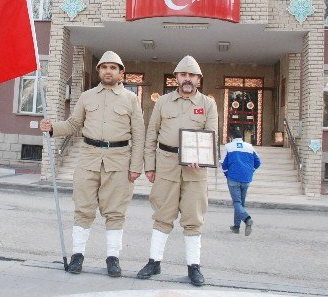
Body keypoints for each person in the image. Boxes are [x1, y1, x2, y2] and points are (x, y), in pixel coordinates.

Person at [39, 51, 144, 277]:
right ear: (99, 71)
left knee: (115, 212)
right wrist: (53, 128)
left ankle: (113, 258)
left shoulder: (131, 99)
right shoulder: (87, 97)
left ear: (121, 73)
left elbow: (139, 134)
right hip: (89, 158)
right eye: (104, 67)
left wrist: (136, 166)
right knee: (83, 209)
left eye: (113, 67)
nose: (108, 71)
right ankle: (78, 255)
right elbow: (74, 123)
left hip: (119, 160)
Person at [137, 55, 218, 287]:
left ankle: (194, 266)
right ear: (176, 78)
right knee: (162, 214)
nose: (187, 79)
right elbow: (151, 133)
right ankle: (154, 262)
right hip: (166, 164)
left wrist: (202, 158)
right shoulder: (162, 102)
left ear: (199, 79)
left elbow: (211, 135)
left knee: (193, 217)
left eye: (192, 75)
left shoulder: (208, 104)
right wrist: (149, 166)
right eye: (183, 74)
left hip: (195, 169)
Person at [222, 126, 261, 236]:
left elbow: (224, 165)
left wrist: (227, 174)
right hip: (246, 178)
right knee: (240, 203)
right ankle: (236, 226)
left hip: (233, 178)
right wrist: (250, 171)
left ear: (231, 137)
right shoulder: (249, 147)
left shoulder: (228, 147)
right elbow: (258, 162)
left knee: (237, 203)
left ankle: (247, 219)